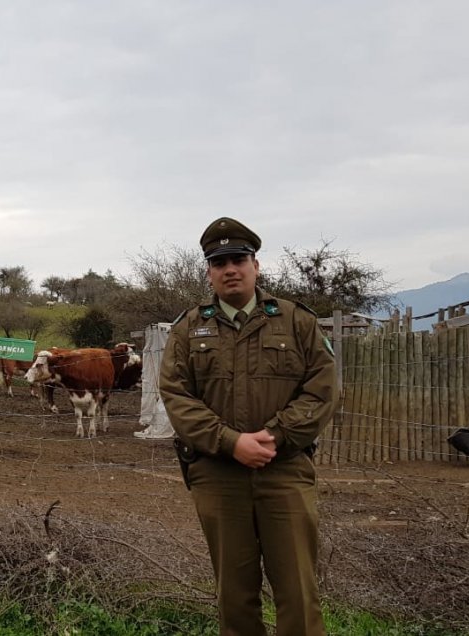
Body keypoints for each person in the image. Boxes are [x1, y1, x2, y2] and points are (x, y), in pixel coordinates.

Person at [159, 217, 338, 636]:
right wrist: (230, 442)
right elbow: (177, 397)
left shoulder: (297, 322)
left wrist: (274, 437)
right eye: (219, 262)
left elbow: (321, 391)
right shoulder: (188, 329)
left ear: (256, 265)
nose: (230, 269)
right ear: (209, 272)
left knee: (298, 591)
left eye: (238, 259)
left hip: (285, 471)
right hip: (218, 476)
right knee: (234, 597)